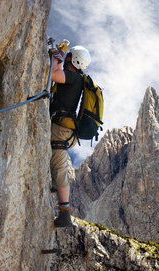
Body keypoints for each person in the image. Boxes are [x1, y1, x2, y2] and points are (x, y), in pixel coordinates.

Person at [50, 45, 91, 227]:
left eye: (68, 56)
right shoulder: (77, 79)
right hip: (64, 129)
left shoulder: (74, 78)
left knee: (59, 167)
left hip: (61, 130)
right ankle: (54, 187)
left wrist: (57, 57)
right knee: (56, 165)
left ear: (73, 60)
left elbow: (53, 75)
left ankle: (65, 212)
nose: (66, 58)